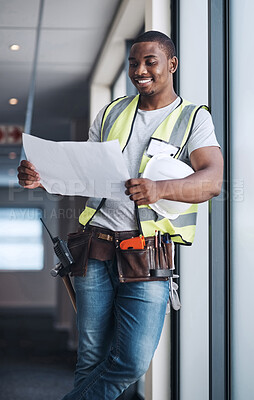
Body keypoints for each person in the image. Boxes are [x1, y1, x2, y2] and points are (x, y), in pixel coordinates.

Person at [17, 31, 223, 399]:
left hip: (148, 253)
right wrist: (42, 179)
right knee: (92, 357)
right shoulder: (112, 112)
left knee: (131, 362)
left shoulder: (194, 117)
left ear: (171, 65)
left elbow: (211, 181)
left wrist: (160, 190)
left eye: (149, 62)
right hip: (94, 248)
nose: (139, 70)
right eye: (133, 62)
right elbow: (84, 174)